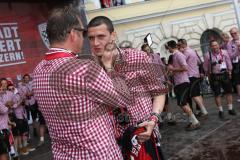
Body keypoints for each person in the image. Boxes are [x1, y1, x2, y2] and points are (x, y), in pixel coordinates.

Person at [33, 6, 131, 160]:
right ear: (73, 34)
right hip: (97, 154)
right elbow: (123, 98)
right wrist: (110, 67)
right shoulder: (84, 68)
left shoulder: (38, 70)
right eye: (84, 33)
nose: (85, 38)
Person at [88, 16, 168, 159]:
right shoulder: (90, 69)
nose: (95, 43)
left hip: (143, 135)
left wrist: (154, 119)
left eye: (101, 36)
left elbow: (159, 92)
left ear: (113, 35)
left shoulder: (137, 58)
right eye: (91, 38)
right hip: (110, 145)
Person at [166, 40, 200, 131]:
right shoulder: (174, 55)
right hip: (179, 82)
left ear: (170, 47)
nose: (167, 49)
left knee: (182, 103)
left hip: (183, 82)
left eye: (167, 47)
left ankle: (195, 122)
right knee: (183, 103)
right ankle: (192, 121)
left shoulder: (179, 55)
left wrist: (173, 69)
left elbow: (185, 68)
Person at [204, 40, 236, 120]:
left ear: (219, 45)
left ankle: (230, 108)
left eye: (216, 45)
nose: (215, 47)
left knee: (228, 92)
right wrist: (209, 75)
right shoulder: (208, 55)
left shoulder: (224, 52)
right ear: (211, 47)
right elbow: (205, 67)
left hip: (225, 74)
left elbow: (228, 62)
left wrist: (230, 72)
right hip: (215, 76)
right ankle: (220, 111)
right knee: (217, 94)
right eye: (213, 45)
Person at [178, 39, 208, 117]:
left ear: (183, 44)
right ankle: (202, 110)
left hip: (190, 76)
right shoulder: (192, 51)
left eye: (179, 45)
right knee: (197, 94)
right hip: (195, 74)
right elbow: (199, 62)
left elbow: (181, 62)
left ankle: (203, 110)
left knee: (194, 95)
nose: (178, 47)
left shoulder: (186, 52)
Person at [227, 27, 240, 102]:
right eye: (232, 34)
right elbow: (230, 56)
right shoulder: (229, 43)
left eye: (235, 33)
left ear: (237, 32)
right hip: (236, 63)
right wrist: (237, 50)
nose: (233, 35)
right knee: (238, 81)